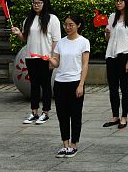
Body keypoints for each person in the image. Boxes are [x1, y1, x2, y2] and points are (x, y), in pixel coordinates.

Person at [10, 0, 61, 124]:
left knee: (46, 85)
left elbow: (56, 40)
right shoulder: (28, 19)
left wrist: (53, 58)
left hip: (46, 57)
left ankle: (46, 112)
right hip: (31, 57)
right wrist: (18, 33)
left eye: (39, 3)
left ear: (45, 4)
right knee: (34, 85)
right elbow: (25, 38)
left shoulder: (52, 19)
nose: (36, 5)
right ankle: (34, 112)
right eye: (34, 3)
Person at [50, 13, 91, 158]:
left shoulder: (84, 42)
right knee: (62, 115)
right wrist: (50, 59)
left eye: (70, 25)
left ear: (78, 25)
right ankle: (65, 144)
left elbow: (85, 64)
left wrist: (81, 84)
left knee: (75, 114)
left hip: (75, 82)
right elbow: (56, 63)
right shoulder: (61, 42)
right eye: (65, 24)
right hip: (60, 82)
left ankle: (74, 144)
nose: (67, 27)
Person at [103, 0, 128, 130]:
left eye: (121, 1)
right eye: (116, 0)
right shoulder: (112, 17)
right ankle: (115, 115)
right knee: (112, 87)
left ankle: (124, 116)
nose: (118, 3)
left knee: (124, 87)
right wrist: (106, 34)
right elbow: (108, 39)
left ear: (126, 2)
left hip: (126, 55)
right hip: (111, 55)